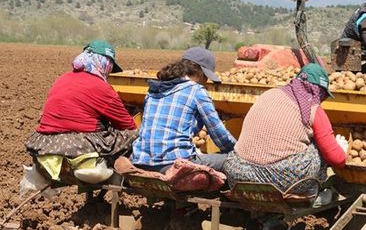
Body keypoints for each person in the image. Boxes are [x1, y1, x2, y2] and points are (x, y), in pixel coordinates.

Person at [223, 63, 346, 199]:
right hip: (280, 180)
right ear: (319, 91)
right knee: (318, 149)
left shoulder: (268, 94)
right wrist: (341, 148)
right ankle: (311, 195)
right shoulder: (313, 109)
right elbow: (337, 159)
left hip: (238, 174)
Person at [25, 40, 138, 179]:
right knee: (134, 135)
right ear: (104, 63)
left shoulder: (61, 79)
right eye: (110, 66)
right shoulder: (102, 88)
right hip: (78, 146)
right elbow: (128, 125)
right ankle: (115, 170)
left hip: (44, 144)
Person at [131, 47, 236, 173]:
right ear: (200, 73)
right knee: (231, 161)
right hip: (173, 163)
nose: (206, 82)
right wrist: (239, 153)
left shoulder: (155, 88)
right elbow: (220, 135)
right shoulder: (196, 91)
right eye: (206, 77)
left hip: (140, 161)